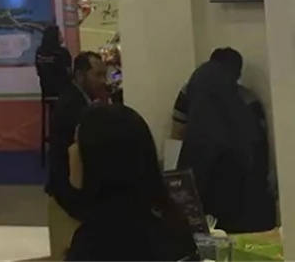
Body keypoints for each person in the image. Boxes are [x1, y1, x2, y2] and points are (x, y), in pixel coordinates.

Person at [65, 105, 197, 261]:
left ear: (97, 160)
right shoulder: (172, 224)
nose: (70, 150)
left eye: (76, 142)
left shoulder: (95, 241)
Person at [175, 48, 274, 233]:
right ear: (237, 74)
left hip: (200, 180)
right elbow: (259, 149)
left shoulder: (191, 89)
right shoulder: (247, 99)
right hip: (241, 189)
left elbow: (177, 135)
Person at [46, 52, 108, 260]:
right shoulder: (73, 106)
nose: (104, 81)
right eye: (97, 75)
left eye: (104, 74)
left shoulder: (80, 100)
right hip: (69, 191)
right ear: (80, 75)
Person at [35, 25, 72, 98]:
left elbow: (39, 71)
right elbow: (69, 72)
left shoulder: (39, 52)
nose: (62, 37)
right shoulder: (63, 52)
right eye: (60, 34)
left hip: (46, 91)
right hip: (62, 91)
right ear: (54, 36)